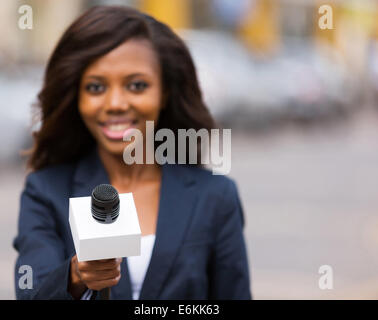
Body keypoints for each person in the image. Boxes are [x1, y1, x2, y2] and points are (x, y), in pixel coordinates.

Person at [13, 5, 251, 300]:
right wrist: (76, 277)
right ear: (77, 97)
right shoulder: (46, 191)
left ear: (164, 93)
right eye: (96, 87)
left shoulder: (216, 197)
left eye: (136, 85)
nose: (115, 103)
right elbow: (30, 292)